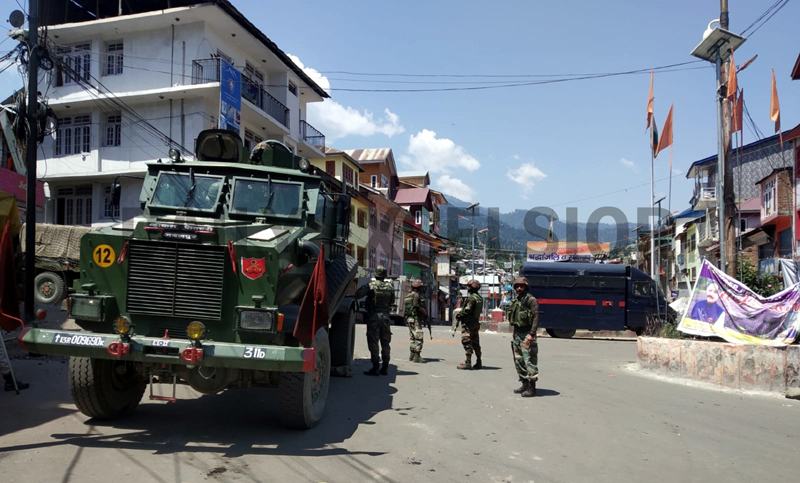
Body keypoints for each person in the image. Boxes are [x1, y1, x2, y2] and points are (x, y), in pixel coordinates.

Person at [355, 265, 394, 376]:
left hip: (374, 318)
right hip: (386, 318)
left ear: (375, 274)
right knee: (385, 342)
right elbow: (392, 301)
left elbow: (358, 294)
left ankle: (375, 367)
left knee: (373, 342)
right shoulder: (390, 287)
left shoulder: (371, 285)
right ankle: (385, 367)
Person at [508, 277, 539, 397]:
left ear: (526, 287)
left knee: (529, 361)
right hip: (517, 333)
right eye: (517, 286)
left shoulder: (531, 300)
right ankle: (524, 383)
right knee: (518, 360)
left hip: (527, 333)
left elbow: (536, 317)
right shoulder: (517, 301)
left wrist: (532, 334)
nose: (519, 288)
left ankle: (532, 387)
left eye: (521, 286)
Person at [456, 279, 483, 370]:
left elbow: (467, 311)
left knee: (466, 341)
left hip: (468, 323)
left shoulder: (471, 298)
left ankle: (468, 362)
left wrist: (459, 315)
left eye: (468, 286)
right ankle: (479, 361)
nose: (467, 288)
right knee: (476, 343)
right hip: (475, 322)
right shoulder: (479, 297)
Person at [405, 279, 428, 363]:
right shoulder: (416, 295)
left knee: (413, 337)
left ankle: (412, 354)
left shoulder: (409, 295)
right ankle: (417, 356)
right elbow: (416, 305)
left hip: (409, 318)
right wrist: (424, 312)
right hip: (415, 318)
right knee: (419, 337)